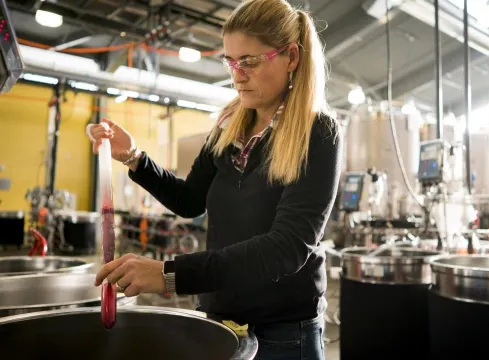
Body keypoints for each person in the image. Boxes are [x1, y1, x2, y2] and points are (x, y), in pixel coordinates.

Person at [88, 0, 340, 359]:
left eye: (249, 62)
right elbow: (190, 200)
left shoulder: (317, 131)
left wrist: (170, 274)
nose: (237, 75)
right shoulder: (230, 123)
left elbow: (288, 247)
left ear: (292, 58)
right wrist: (135, 157)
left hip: (284, 332)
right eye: (230, 61)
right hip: (221, 319)